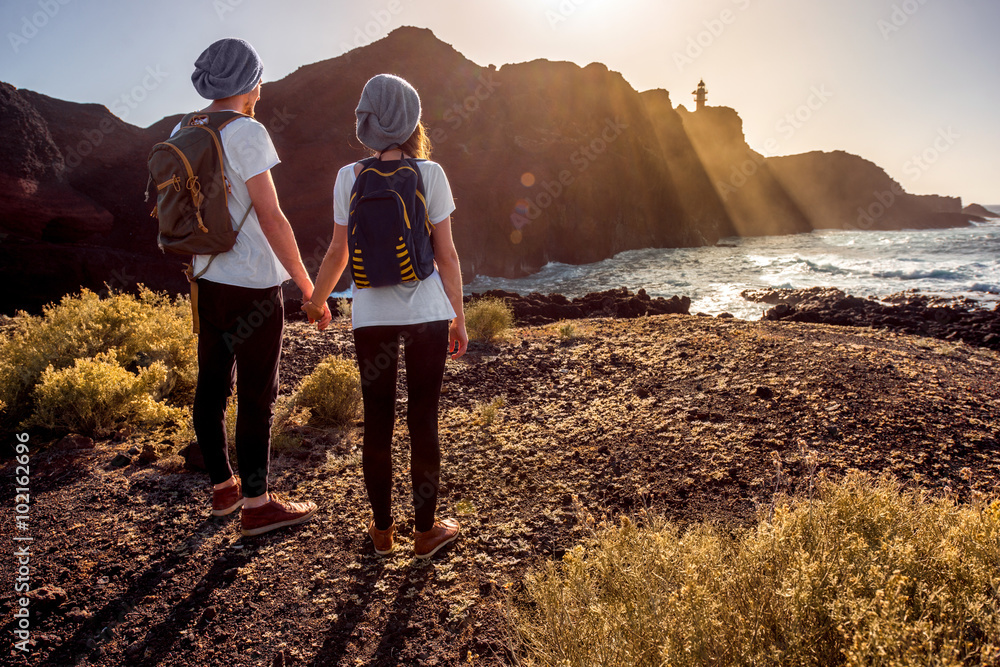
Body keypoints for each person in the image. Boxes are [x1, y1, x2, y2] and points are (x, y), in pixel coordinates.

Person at [303, 74, 468, 559]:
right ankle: (425, 532)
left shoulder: (348, 177)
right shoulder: (430, 173)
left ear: (366, 122)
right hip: (427, 314)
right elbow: (448, 256)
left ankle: (380, 532)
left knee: (377, 422)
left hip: (369, 313)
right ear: (412, 119)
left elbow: (338, 251)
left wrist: (317, 300)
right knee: (423, 421)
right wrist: (458, 318)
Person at [184, 38, 325, 536]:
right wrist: (309, 288)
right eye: (258, 79)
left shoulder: (186, 127)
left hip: (205, 279)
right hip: (252, 284)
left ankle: (223, 489)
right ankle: (257, 504)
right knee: (258, 396)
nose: (260, 88)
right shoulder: (247, 131)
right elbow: (272, 216)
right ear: (250, 83)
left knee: (212, 386)